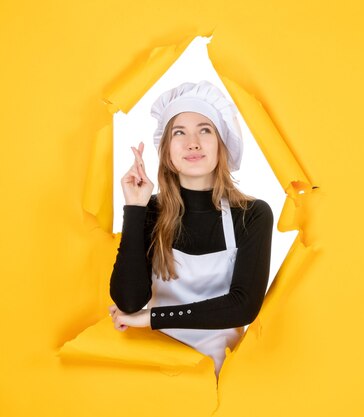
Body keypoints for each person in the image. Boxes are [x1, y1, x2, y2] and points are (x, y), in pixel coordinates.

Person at [108, 81, 274, 377]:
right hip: (157, 369)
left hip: (221, 375)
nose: (193, 142)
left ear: (222, 144)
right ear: (167, 151)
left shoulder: (252, 215)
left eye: (205, 130)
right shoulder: (151, 211)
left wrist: (151, 318)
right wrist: (134, 209)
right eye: (179, 132)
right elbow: (128, 300)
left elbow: (243, 306)